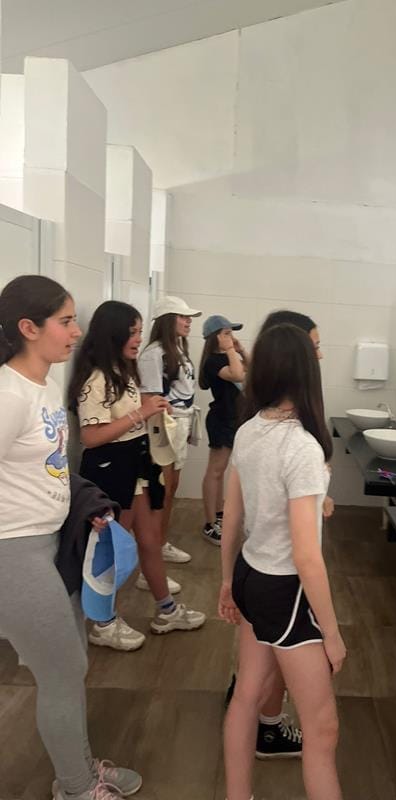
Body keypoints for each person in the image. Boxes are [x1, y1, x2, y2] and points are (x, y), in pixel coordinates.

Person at [0, 275, 141, 800]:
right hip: (14, 550)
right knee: (63, 670)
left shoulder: (42, 386)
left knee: (72, 664)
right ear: (28, 328)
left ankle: (80, 769)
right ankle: (78, 788)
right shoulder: (7, 394)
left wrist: (84, 505)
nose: (77, 331)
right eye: (65, 321)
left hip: (51, 541)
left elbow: (49, 468)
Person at [219, 323, 346, 800]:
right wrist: (331, 634)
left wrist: (227, 581)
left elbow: (232, 514)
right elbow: (307, 557)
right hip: (284, 589)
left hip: (251, 574)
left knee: (246, 696)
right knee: (322, 729)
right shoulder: (302, 447)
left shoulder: (250, 429)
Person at [68, 300, 206, 651]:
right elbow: (91, 437)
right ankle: (103, 623)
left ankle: (167, 610)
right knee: (115, 549)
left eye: (140, 331)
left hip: (136, 464)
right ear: (112, 333)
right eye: (132, 332)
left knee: (149, 540)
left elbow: (132, 417)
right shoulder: (97, 378)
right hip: (112, 469)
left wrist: (151, 410)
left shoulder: (123, 371)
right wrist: (140, 414)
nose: (138, 339)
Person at [138, 295, 202, 565]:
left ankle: (160, 541)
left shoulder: (177, 349)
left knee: (172, 486)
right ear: (167, 320)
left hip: (180, 422)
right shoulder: (154, 354)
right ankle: (154, 545)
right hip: (164, 426)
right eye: (182, 316)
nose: (188, 321)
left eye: (189, 317)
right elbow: (149, 398)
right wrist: (165, 425)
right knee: (163, 488)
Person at [199, 314, 249, 545]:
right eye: (227, 333)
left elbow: (251, 372)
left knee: (221, 471)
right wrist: (230, 350)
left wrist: (240, 350)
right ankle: (210, 524)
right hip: (221, 419)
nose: (232, 337)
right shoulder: (213, 361)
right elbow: (237, 375)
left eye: (231, 333)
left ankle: (218, 514)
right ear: (215, 337)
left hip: (232, 419)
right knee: (215, 471)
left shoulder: (226, 357)